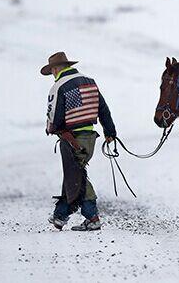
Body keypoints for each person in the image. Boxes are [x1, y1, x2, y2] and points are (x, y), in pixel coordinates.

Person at [42, 52, 117, 231]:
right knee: (73, 174)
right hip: (90, 137)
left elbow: (54, 117)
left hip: (72, 139)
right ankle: (60, 216)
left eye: (52, 70)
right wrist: (110, 131)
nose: (52, 74)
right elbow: (103, 108)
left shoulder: (58, 86)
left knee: (78, 177)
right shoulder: (90, 81)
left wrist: (51, 128)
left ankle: (92, 217)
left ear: (55, 68)